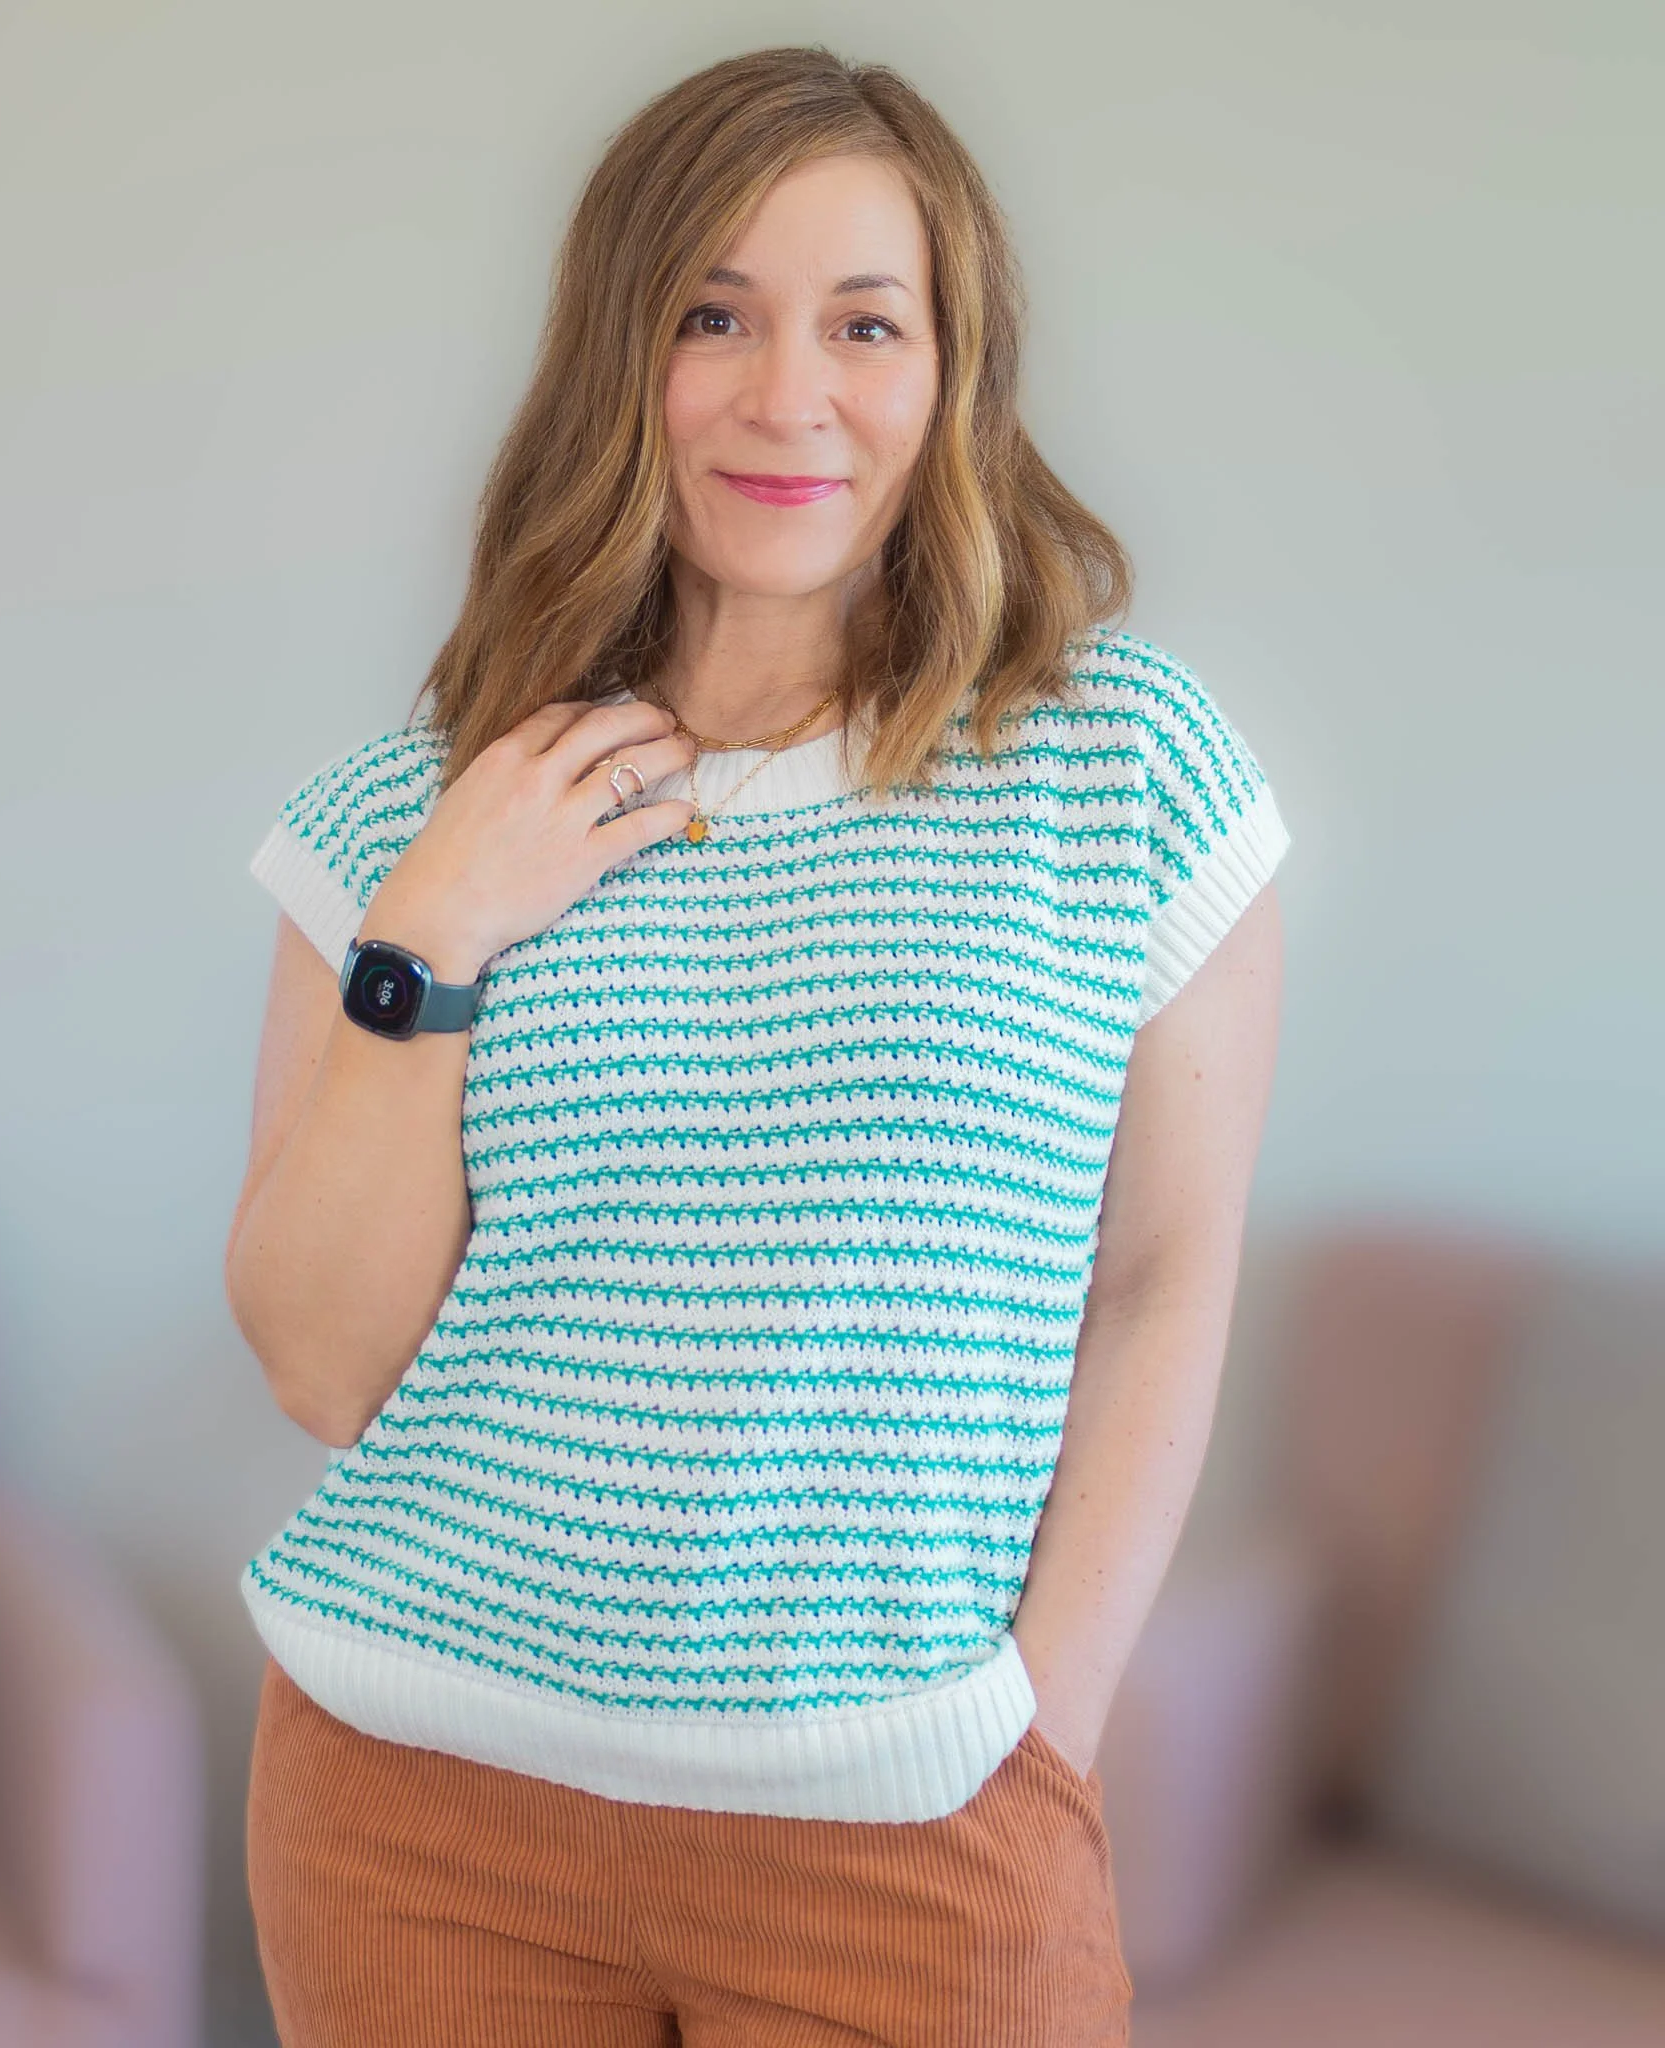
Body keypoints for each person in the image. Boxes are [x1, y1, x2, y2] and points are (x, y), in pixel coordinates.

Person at [226, 43, 1286, 2048]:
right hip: (414, 1809)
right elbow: (319, 1364)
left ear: (950, 372)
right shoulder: (413, 818)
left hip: (907, 1828)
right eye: (712, 316)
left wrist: (1036, 1727)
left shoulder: (1122, 767)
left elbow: (1160, 1280)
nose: (788, 394)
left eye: (863, 324)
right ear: (618, 358)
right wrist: (432, 931)